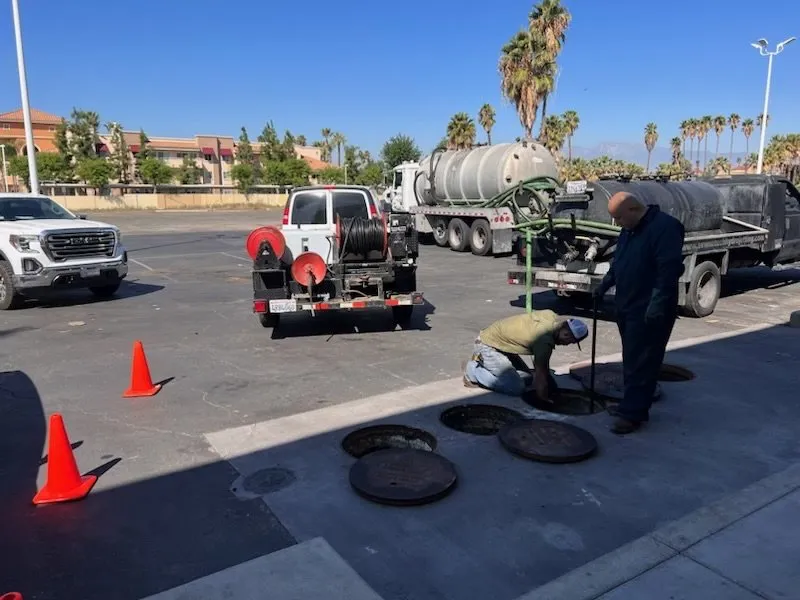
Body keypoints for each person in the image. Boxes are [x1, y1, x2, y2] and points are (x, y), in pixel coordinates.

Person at [594, 191, 685, 435]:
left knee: (644, 361)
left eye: (620, 218)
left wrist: (657, 304)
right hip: (627, 305)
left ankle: (633, 414)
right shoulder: (629, 230)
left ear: (633, 209)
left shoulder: (665, 228)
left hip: (649, 309)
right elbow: (620, 263)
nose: (618, 224)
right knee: (632, 358)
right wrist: (604, 284)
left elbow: (669, 270)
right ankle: (629, 405)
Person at [463, 309, 589, 399]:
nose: (567, 345)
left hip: (503, 345)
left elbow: (541, 365)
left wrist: (548, 382)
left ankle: (488, 367)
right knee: (516, 388)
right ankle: (472, 371)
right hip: (487, 345)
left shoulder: (550, 316)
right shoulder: (544, 341)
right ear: (566, 333)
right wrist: (544, 397)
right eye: (569, 342)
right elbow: (541, 372)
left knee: (528, 379)